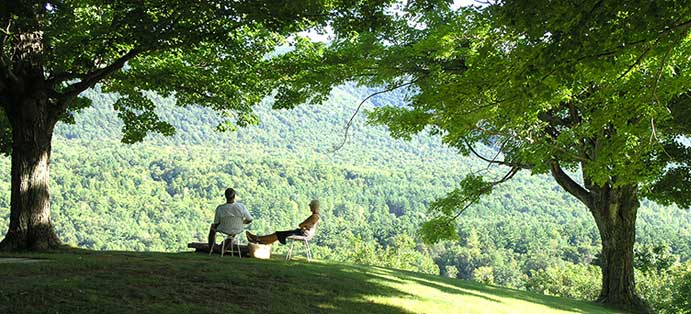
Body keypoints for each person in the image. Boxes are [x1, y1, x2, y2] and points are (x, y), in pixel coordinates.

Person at [246, 199, 320, 245]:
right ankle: (259, 240)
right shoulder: (316, 216)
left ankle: (258, 239)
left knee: (278, 234)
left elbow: (300, 225)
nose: (309, 207)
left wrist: (304, 226)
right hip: (303, 233)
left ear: (314, 206)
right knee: (278, 234)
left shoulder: (314, 216)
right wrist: (304, 226)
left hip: (303, 234)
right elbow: (304, 225)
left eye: (310, 205)